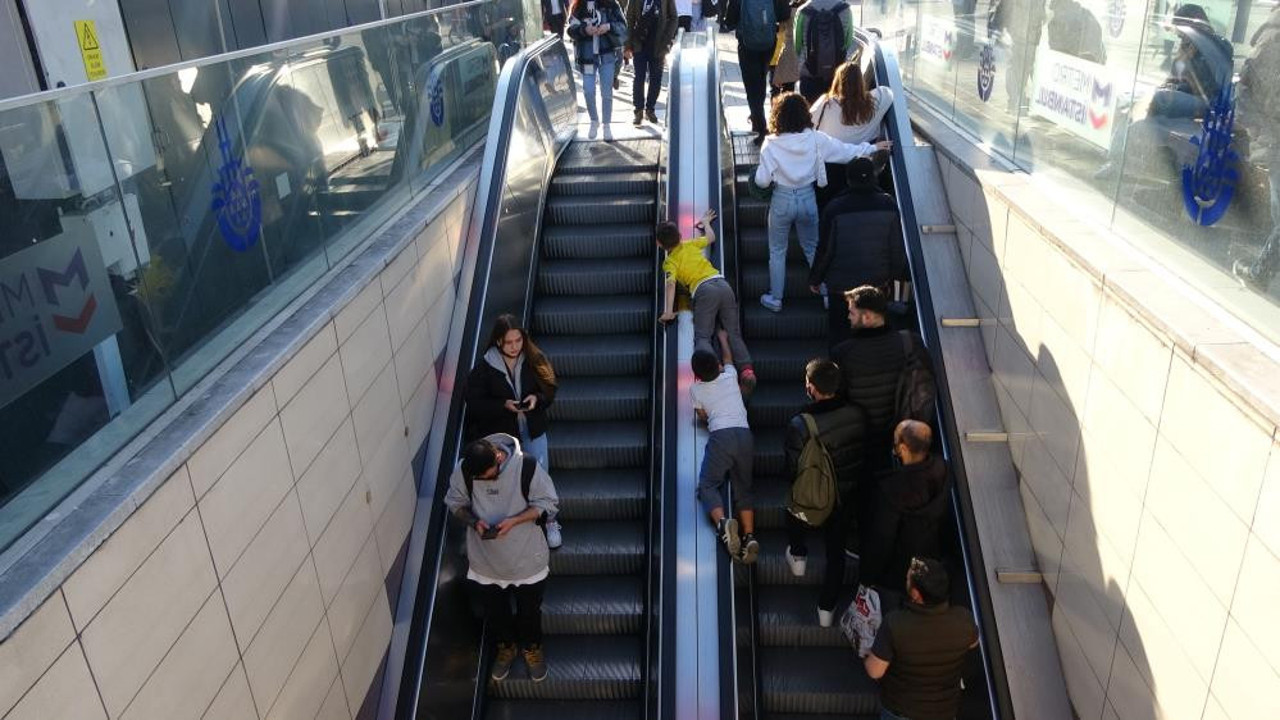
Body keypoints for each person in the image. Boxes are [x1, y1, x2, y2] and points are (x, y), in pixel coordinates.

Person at [754, 92, 890, 312]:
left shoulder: (770, 144)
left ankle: (776, 298)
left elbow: (761, 182)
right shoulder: (816, 139)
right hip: (808, 198)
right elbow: (847, 152)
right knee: (813, 248)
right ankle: (826, 294)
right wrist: (873, 147)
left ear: (777, 116)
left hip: (782, 199)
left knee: (777, 251)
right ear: (804, 114)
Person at [445, 436, 560, 683]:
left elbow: (548, 502)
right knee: (495, 612)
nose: (485, 482)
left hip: (527, 559)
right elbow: (455, 503)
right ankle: (506, 647)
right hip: (486, 563)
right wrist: (475, 522)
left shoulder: (527, 466)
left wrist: (515, 520)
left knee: (529, 612)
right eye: (480, 479)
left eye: (488, 475)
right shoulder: (465, 470)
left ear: (499, 457)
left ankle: (532, 648)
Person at [1096, 4, 1232, 179]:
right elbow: (1174, 77)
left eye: (1181, 32)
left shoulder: (1216, 47)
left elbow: (1211, 88)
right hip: (1180, 95)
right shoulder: (1187, 45)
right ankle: (1117, 159)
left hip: (1204, 102)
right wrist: (1175, 74)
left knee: (1154, 99)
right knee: (1128, 100)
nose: (1179, 37)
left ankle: (1118, 160)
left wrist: (1187, 65)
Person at [466, 315, 563, 548]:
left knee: (540, 475)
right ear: (498, 341)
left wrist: (536, 399)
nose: (515, 346)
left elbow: (550, 389)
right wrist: (503, 405)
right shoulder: (485, 367)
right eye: (509, 342)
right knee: (513, 481)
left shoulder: (533, 357)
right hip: (505, 436)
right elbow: (474, 402)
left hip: (533, 428)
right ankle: (522, 523)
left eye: (518, 340)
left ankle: (550, 520)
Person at [783, 358, 867, 626]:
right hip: (847, 495)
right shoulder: (857, 414)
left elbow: (792, 469)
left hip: (815, 495)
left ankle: (798, 556)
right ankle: (826, 610)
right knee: (836, 550)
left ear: (811, 388)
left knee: (793, 507)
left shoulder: (801, 424)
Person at [831, 285, 930, 476]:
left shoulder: (843, 353)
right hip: (900, 437)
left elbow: (838, 399)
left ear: (867, 317)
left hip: (861, 442)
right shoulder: (910, 342)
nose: (848, 317)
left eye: (852, 313)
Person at [865, 557, 979, 720]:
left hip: (902, 710)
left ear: (915, 593)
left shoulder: (896, 624)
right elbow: (973, 644)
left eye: (907, 579)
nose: (906, 581)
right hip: (945, 712)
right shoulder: (964, 619)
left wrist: (870, 651)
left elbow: (874, 671)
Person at [657, 209, 758, 391]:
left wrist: (668, 311)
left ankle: (715, 370)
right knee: (733, 332)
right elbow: (711, 238)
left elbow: (670, 284)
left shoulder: (669, 262)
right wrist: (706, 223)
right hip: (722, 284)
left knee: (703, 336)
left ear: (659, 244)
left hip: (704, 291)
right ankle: (747, 371)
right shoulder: (689, 244)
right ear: (680, 236)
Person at [809, 158, 905, 346]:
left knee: (840, 335)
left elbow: (825, 249)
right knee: (875, 335)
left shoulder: (834, 208)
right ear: (873, 177)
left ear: (848, 179)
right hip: (876, 285)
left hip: (841, 287)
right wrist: (894, 278)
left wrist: (815, 278)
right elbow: (897, 248)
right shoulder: (889, 204)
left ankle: (840, 370)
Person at [861, 420, 949, 589]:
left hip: (898, 569)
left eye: (895, 441)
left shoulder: (891, 490)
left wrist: (867, 577)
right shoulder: (942, 469)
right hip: (930, 558)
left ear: (903, 449)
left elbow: (882, 539)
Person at [692, 345, 759, 563]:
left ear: (698, 375)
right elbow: (729, 359)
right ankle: (749, 537)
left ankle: (723, 523)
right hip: (745, 434)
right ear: (718, 366)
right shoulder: (730, 376)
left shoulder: (696, 390)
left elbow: (702, 416)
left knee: (708, 485)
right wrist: (723, 340)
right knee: (744, 487)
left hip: (721, 437)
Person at [1233, 5, 1280, 290]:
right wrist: (1268, 137)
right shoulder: (1272, 43)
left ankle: (1261, 274)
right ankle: (1261, 273)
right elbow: (1246, 96)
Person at [809, 62, 894, 207]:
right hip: (862, 166)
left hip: (830, 168)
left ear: (837, 81)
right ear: (861, 82)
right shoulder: (875, 102)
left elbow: (807, 124)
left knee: (826, 206)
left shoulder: (826, 104)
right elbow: (888, 91)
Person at [721, 0, 794, 142]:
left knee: (752, 86)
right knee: (761, 79)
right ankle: (759, 116)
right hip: (768, 42)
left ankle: (759, 125)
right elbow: (784, 13)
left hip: (747, 44)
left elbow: (730, 19)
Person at [568, 0, 628, 140]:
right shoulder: (579, 6)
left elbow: (623, 26)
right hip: (586, 55)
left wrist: (608, 26)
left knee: (606, 91)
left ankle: (606, 125)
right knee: (588, 90)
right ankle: (594, 120)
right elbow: (570, 29)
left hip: (607, 54)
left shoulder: (611, 4)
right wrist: (584, 30)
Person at [625, 0, 678, 126]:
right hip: (639, 43)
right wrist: (627, 45)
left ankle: (650, 108)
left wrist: (667, 39)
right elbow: (629, 19)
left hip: (658, 43)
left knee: (656, 78)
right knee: (639, 77)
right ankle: (638, 110)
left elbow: (674, 18)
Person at [792, 0, 855, 102]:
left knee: (811, 113)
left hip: (810, 73)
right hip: (838, 74)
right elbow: (848, 42)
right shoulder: (845, 9)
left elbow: (797, 46)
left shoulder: (803, 11)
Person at [770, 12, 801, 98]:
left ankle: (775, 110)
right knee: (789, 88)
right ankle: (787, 109)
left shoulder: (783, 9)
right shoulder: (799, 11)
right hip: (790, 53)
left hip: (777, 51)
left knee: (775, 89)